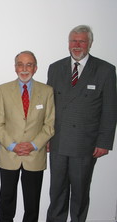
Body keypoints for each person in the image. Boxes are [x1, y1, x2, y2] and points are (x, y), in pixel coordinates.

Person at [46, 25, 117, 222]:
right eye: (73, 41)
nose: (77, 45)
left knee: (79, 192)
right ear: (68, 43)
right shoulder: (55, 67)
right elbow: (49, 107)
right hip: (58, 140)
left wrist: (104, 142)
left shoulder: (105, 70)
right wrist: (46, 137)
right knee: (57, 191)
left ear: (90, 43)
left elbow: (110, 109)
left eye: (81, 41)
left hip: (85, 143)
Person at [0, 51, 55, 222]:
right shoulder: (3, 90)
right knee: (6, 200)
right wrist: (13, 145)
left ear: (35, 68)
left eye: (29, 65)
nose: (24, 68)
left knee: (32, 203)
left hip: (34, 155)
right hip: (9, 154)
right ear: (15, 68)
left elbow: (49, 125)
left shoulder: (47, 91)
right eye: (20, 64)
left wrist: (34, 145)